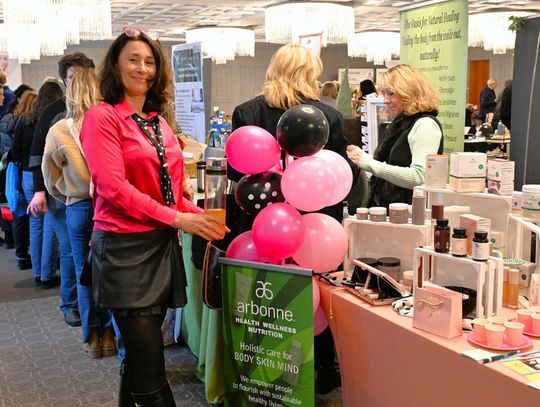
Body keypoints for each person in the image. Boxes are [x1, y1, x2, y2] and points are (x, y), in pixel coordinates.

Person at [80, 28, 226, 406]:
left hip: (161, 247)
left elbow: (171, 194)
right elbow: (113, 188)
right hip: (123, 251)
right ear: (115, 65)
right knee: (150, 368)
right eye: (133, 59)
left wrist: (201, 217)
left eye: (150, 62)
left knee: (137, 362)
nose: (142, 68)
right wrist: (179, 220)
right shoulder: (102, 117)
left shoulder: (158, 122)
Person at [228, 43, 358, 396]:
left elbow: (236, 173)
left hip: (265, 224)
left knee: (264, 296)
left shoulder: (247, 112)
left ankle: (264, 373)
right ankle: (324, 369)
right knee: (318, 293)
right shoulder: (328, 116)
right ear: (310, 74)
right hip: (317, 226)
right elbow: (341, 175)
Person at [42, 68, 116, 359]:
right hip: (108, 205)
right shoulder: (109, 124)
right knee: (108, 273)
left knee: (83, 274)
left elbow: (49, 176)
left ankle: (92, 339)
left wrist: (68, 193)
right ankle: (109, 335)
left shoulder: (59, 130)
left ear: (70, 93)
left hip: (78, 207)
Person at [29, 52, 95, 328]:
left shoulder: (100, 110)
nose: (78, 81)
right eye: (72, 76)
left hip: (96, 196)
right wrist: (43, 191)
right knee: (69, 252)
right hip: (64, 196)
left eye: (83, 75)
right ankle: (70, 304)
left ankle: (93, 312)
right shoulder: (54, 112)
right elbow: (38, 156)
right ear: (64, 79)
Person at [347, 64, 443, 208]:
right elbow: (396, 165)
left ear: (410, 93)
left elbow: (419, 177)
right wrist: (364, 157)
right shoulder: (402, 123)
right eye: (384, 93)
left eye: (391, 93)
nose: (385, 100)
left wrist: (370, 163)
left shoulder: (425, 125)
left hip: (407, 214)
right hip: (394, 210)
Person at [10, 83, 63, 287]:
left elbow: (15, 151)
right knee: (50, 224)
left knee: (35, 223)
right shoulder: (54, 118)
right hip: (48, 174)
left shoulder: (26, 119)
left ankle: (38, 271)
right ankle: (47, 274)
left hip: (27, 176)